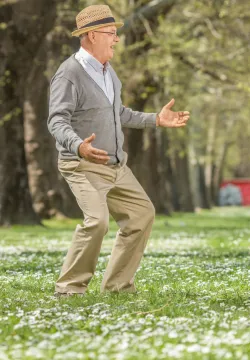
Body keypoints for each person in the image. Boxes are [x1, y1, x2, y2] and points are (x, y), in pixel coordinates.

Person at [47, 5, 190, 297]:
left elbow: (119, 113)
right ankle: (69, 288)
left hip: (116, 166)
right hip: (81, 164)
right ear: (89, 35)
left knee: (141, 214)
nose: (116, 39)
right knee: (97, 222)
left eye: (116, 33)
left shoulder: (108, 72)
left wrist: (156, 120)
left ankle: (117, 287)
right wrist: (78, 146)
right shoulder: (69, 74)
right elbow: (56, 121)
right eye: (111, 33)